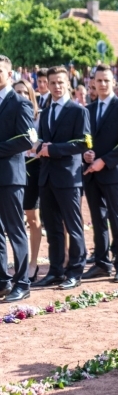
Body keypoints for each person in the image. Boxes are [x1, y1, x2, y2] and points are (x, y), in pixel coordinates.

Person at [32, 66, 91, 290]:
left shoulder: (78, 111)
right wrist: (38, 146)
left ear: (68, 84)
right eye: (53, 82)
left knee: (73, 226)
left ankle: (75, 271)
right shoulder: (45, 112)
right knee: (53, 227)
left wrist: (52, 149)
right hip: (46, 177)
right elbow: (41, 142)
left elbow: (83, 143)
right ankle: (56, 270)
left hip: (68, 177)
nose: (56, 86)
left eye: (60, 82)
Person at [81, 65, 118, 284]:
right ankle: (101, 263)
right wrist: (86, 154)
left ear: (113, 82)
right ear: (93, 82)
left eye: (106, 80)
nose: (103, 84)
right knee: (97, 219)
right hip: (91, 173)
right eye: (99, 80)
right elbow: (86, 139)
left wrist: (103, 161)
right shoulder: (88, 109)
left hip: (114, 172)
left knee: (117, 219)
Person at [0, 56, 35, 302]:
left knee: (15, 229)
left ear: (9, 74)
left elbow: (26, 139)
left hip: (11, 177)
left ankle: (22, 282)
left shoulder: (19, 103)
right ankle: (2, 281)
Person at [14, 80, 44, 283]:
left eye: (25, 92)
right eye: (18, 92)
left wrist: (37, 146)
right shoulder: (8, 113)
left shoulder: (39, 117)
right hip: (13, 168)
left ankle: (33, 262)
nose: (22, 95)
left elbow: (43, 141)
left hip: (34, 168)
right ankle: (19, 264)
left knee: (33, 218)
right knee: (14, 221)